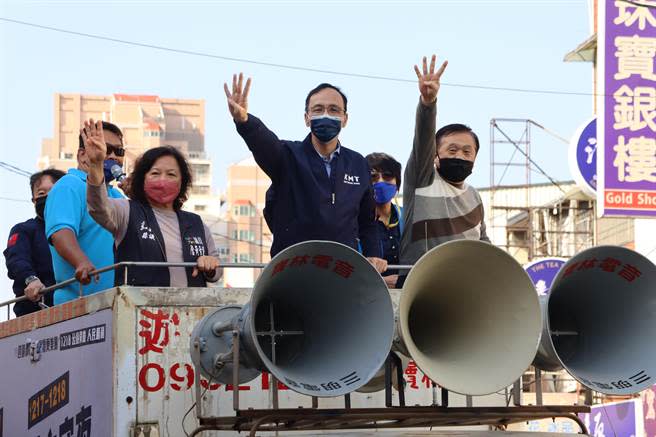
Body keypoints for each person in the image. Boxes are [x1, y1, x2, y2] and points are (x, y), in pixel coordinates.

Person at [224, 74, 387, 273]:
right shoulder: (288, 156)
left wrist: (374, 256)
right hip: (293, 270)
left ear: (345, 119)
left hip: (342, 274)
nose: (326, 114)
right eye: (318, 109)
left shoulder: (357, 163)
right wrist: (244, 121)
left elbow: (367, 222)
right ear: (306, 118)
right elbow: (264, 144)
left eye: (334, 109)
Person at [82, 120, 222, 287]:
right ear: (142, 178)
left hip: (191, 310)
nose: (163, 180)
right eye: (155, 173)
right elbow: (98, 207)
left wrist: (211, 265)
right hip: (142, 310)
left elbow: (217, 272)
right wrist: (96, 165)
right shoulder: (127, 211)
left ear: (182, 182)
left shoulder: (196, 223)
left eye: (171, 174)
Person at [399, 55, 490, 287]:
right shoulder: (423, 180)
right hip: (419, 283)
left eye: (467, 152)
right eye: (452, 149)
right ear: (435, 156)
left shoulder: (475, 197)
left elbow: (483, 243)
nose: (459, 156)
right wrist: (428, 103)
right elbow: (422, 138)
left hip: (462, 288)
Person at [45, 120, 126, 304]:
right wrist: (81, 262)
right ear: (82, 155)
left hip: (117, 303)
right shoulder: (69, 185)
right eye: (106, 148)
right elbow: (60, 233)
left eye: (119, 152)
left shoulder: (117, 195)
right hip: (79, 305)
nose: (112, 156)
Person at [4, 169, 66, 316]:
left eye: (53, 192)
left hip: (74, 306)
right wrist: (31, 280)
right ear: (33, 200)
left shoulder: (79, 231)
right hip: (36, 310)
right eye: (41, 193)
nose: (47, 197)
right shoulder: (24, 230)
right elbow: (16, 259)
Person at [366, 153, 403, 288]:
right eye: (373, 177)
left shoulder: (408, 217)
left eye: (387, 176)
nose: (380, 182)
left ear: (397, 184)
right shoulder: (352, 222)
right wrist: (382, 282)